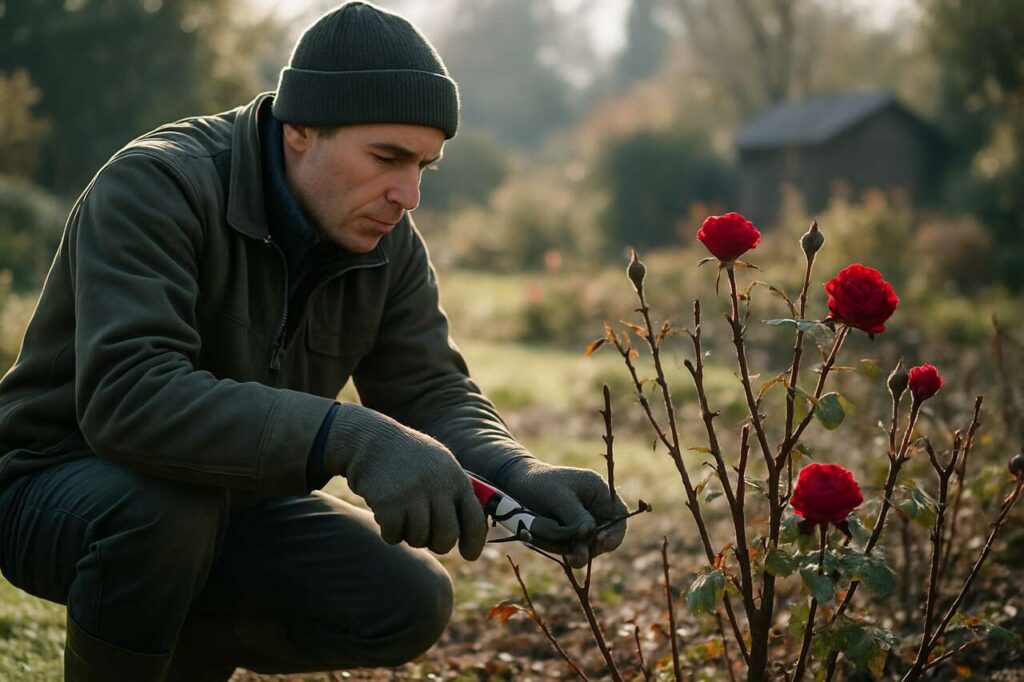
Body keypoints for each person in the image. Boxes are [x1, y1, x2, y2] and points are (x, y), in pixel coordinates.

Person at [0, 2, 628, 680]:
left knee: (407, 598)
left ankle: (182, 656)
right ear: (300, 127)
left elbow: (428, 388)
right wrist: (348, 437)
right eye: (388, 157)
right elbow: (130, 399)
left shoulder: (387, 245)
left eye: (425, 165)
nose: (408, 194)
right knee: (164, 515)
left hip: (229, 501)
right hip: (52, 481)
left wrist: (517, 474)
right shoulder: (156, 186)